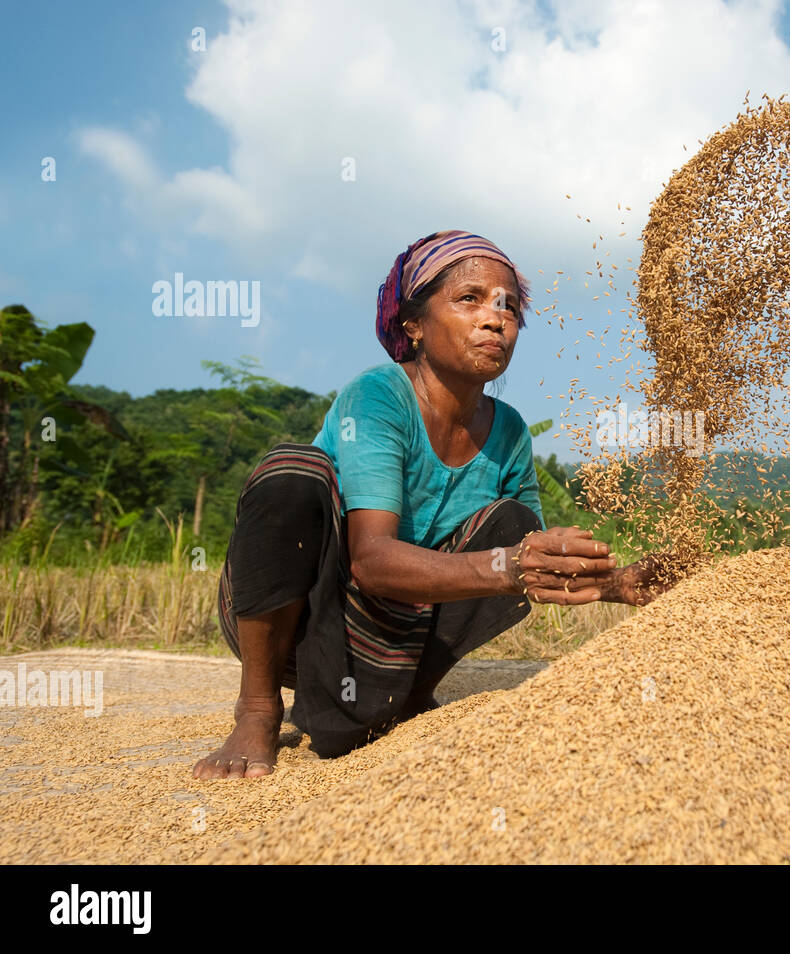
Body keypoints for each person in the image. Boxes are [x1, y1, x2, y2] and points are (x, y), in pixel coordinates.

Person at [194, 230, 672, 779]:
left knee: (515, 526)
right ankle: (256, 708)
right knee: (291, 472)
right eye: (469, 298)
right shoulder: (376, 397)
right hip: (307, 619)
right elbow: (371, 560)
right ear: (413, 325)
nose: (495, 318)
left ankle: (406, 692)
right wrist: (507, 565)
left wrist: (617, 584)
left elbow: (528, 562)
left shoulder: (510, 430)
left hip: (395, 631)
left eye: (509, 305)